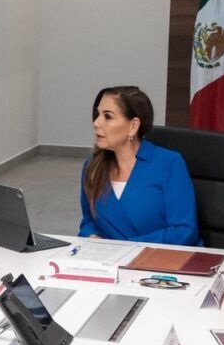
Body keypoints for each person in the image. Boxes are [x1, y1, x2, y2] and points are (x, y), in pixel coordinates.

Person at [79, 86, 200, 246]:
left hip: (163, 257)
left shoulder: (169, 164)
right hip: (110, 259)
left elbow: (184, 231)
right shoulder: (92, 167)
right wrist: (92, 237)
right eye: (97, 114)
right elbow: (89, 221)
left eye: (107, 116)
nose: (96, 123)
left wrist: (125, 249)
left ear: (133, 126)